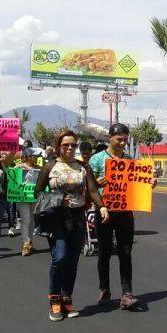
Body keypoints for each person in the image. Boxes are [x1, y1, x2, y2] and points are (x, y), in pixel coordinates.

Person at [35, 130, 108, 322]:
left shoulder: (83, 167)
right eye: (66, 144)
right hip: (57, 218)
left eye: (73, 145)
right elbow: (37, 193)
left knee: (73, 261)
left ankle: (67, 298)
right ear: (59, 145)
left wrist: (101, 207)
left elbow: (92, 189)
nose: (70, 148)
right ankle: (55, 301)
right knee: (59, 258)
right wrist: (58, 199)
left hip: (77, 218)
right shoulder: (50, 166)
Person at [89, 123, 155, 310]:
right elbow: (88, 187)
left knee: (125, 252)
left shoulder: (129, 160)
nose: (123, 143)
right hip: (104, 213)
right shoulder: (97, 159)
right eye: (119, 139)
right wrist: (96, 182)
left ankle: (127, 293)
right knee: (104, 253)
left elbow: (137, 184)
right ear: (110, 137)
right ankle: (105, 289)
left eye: (125, 140)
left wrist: (149, 183)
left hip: (125, 213)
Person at [17, 148, 41, 256]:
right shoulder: (19, 167)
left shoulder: (39, 168)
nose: (35, 158)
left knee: (31, 219)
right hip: (22, 197)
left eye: (36, 156)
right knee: (25, 219)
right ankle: (25, 244)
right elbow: (12, 178)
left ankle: (29, 242)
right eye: (33, 155)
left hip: (34, 197)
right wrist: (17, 169)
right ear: (27, 157)